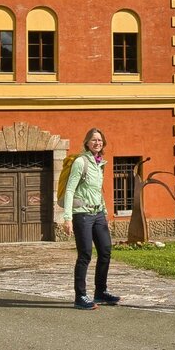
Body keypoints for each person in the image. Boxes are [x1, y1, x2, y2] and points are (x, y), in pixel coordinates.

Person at [62, 128, 120, 309]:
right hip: (82, 214)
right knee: (85, 254)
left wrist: (104, 212)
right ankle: (80, 296)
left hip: (98, 213)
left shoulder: (99, 163)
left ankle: (100, 292)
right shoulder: (81, 162)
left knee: (105, 251)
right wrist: (67, 218)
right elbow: (70, 189)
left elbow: (97, 190)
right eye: (94, 140)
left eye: (100, 140)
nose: (97, 143)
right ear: (87, 142)